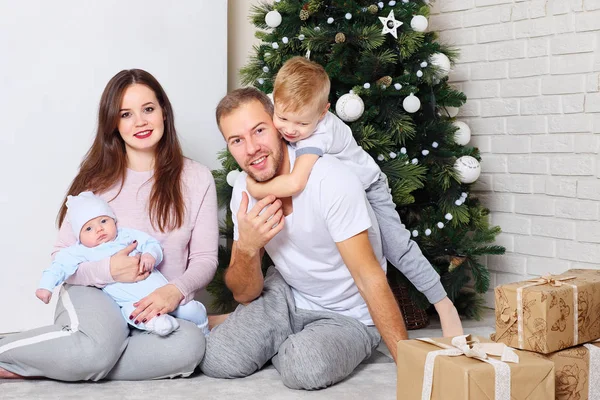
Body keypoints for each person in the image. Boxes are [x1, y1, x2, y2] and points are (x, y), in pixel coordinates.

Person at [200, 87, 463, 390]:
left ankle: (283, 339)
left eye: (259, 130)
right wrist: (246, 248)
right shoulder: (243, 192)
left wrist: (407, 362)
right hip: (286, 295)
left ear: (277, 124)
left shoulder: (330, 179)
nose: (251, 148)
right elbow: (244, 294)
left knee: (303, 366)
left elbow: (369, 277)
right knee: (219, 359)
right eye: (237, 140)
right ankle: (274, 333)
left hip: (348, 315)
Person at [0, 69, 218, 381]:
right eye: (125, 114)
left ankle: (68, 360)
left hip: (155, 303)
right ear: (113, 124)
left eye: (148, 109)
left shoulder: (196, 178)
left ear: (164, 113)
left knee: (189, 345)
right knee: (98, 348)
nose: (140, 122)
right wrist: (109, 271)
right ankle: (81, 354)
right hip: (95, 292)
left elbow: (205, 259)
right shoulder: (95, 182)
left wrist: (174, 290)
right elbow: (63, 258)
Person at [247, 56, 447, 309]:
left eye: (302, 123)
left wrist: (255, 187)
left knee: (395, 245)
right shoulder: (282, 103)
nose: (290, 130)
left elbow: (295, 183)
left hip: (368, 187)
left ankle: (442, 303)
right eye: (283, 118)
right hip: (337, 191)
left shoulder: (320, 133)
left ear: (323, 112)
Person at [36, 191, 210, 337]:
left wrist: (151, 255)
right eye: (88, 228)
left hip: (163, 293)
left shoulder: (126, 236)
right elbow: (58, 267)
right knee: (131, 314)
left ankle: (204, 333)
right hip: (132, 302)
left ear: (113, 220)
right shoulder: (80, 251)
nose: (99, 229)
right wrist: (46, 287)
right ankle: (158, 324)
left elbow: (151, 244)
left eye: (103, 221)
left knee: (193, 310)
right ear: (78, 236)